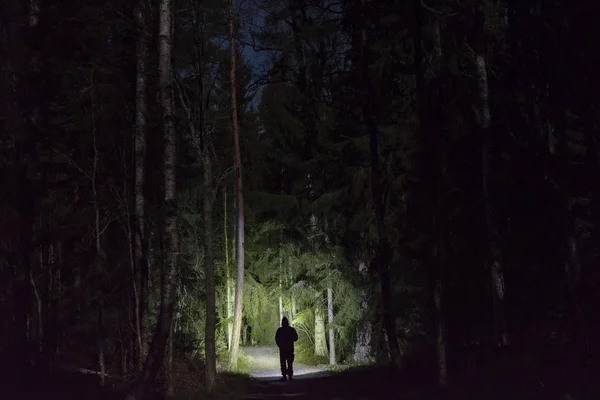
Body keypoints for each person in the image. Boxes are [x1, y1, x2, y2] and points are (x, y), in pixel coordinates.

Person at [275, 316, 298, 381]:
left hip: (282, 349)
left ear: (282, 323)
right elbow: (296, 338)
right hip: (290, 348)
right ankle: (290, 375)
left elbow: (276, 339)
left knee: (283, 362)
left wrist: (279, 345)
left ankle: (284, 375)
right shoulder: (291, 329)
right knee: (290, 362)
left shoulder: (279, 330)